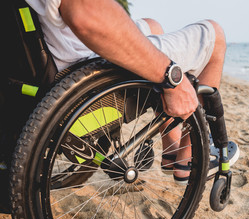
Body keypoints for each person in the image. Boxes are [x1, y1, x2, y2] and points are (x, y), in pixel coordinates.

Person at [26, 0, 227, 184]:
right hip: (82, 74)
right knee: (214, 36)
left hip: (47, 68)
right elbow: (84, 14)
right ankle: (187, 159)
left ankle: (171, 148)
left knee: (152, 26)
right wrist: (172, 76)